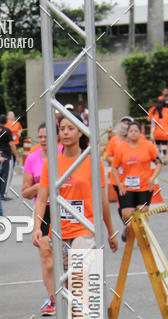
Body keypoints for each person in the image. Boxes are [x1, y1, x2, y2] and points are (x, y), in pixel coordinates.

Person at [33, 116, 118, 282]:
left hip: (85, 229)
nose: (65, 132)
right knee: (67, 285)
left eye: (71, 128)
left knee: (80, 280)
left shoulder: (93, 161)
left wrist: (110, 232)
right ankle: (76, 307)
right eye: (62, 128)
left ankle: (86, 305)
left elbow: (103, 201)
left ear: (80, 132)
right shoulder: (51, 163)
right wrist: (37, 227)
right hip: (60, 232)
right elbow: (42, 200)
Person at [23, 123, 56, 316]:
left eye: (47, 136)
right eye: (41, 137)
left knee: (67, 257)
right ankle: (52, 298)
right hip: (43, 209)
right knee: (46, 257)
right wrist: (41, 186)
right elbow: (26, 192)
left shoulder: (62, 154)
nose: (44, 140)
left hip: (64, 209)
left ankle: (69, 294)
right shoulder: (32, 158)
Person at [111, 121, 160, 228]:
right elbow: (114, 167)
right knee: (126, 213)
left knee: (141, 212)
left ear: (140, 132)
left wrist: (152, 178)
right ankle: (129, 230)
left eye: (136, 131)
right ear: (127, 133)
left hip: (144, 186)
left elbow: (159, 163)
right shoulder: (121, 148)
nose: (133, 133)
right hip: (128, 186)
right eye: (131, 131)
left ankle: (143, 236)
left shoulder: (148, 145)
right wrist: (119, 184)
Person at [0, 114, 18, 200]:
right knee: (7, 174)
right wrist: (16, 155)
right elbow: (11, 144)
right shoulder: (7, 131)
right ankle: (4, 193)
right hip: (6, 154)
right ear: (6, 121)